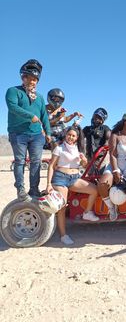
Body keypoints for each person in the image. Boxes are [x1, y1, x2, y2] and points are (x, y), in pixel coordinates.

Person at [6, 59, 51, 200]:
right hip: (18, 133)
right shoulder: (13, 91)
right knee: (20, 161)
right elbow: (13, 108)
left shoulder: (40, 97)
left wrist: (48, 132)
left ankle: (34, 190)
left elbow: (44, 116)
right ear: (23, 77)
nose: (32, 81)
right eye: (30, 78)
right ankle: (20, 189)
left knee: (36, 162)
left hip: (37, 135)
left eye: (35, 79)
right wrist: (30, 116)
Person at [46, 125, 100, 245]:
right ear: (66, 135)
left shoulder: (78, 150)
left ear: (77, 138)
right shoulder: (59, 148)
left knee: (94, 190)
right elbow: (51, 166)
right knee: (62, 206)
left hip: (74, 178)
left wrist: (84, 161)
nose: (70, 137)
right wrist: (48, 184)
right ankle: (63, 235)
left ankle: (87, 213)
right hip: (60, 179)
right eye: (69, 135)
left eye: (73, 136)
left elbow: (84, 166)